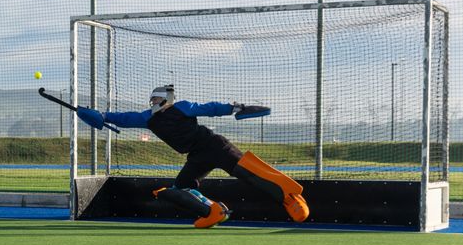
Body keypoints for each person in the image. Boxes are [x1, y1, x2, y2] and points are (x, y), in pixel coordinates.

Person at [75, 84, 309, 228]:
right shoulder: (148, 118)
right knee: (180, 188)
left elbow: (209, 108)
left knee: (249, 174)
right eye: (152, 100)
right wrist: (100, 115)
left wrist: (235, 107)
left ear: (166, 98)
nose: (152, 102)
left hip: (215, 145)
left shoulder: (182, 107)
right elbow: (124, 118)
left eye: (156, 99)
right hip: (197, 155)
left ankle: (290, 197)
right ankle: (213, 212)